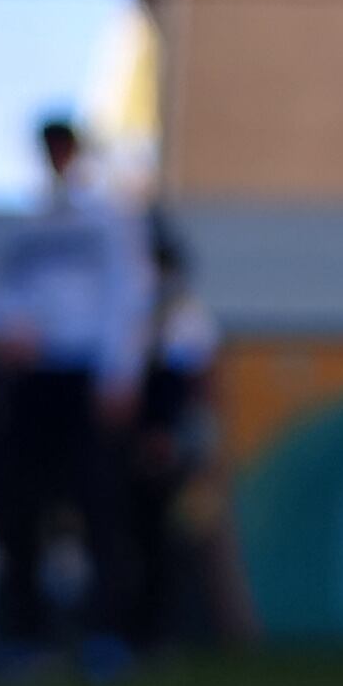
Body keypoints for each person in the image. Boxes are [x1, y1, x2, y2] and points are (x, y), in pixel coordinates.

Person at [0, 113, 149, 678]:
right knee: (20, 512)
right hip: (33, 381)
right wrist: (6, 330)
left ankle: (107, 637)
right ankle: (23, 638)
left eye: (63, 147)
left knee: (100, 509)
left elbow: (127, 296)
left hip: (85, 378)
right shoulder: (27, 223)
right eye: (48, 148)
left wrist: (117, 376)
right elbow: (4, 294)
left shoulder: (106, 218)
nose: (56, 157)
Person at [125, 219, 221, 653]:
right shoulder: (132, 311)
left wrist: (171, 437)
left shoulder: (185, 316)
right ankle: (135, 630)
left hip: (168, 444)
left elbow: (187, 383)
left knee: (166, 540)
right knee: (135, 537)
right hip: (137, 439)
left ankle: (160, 632)